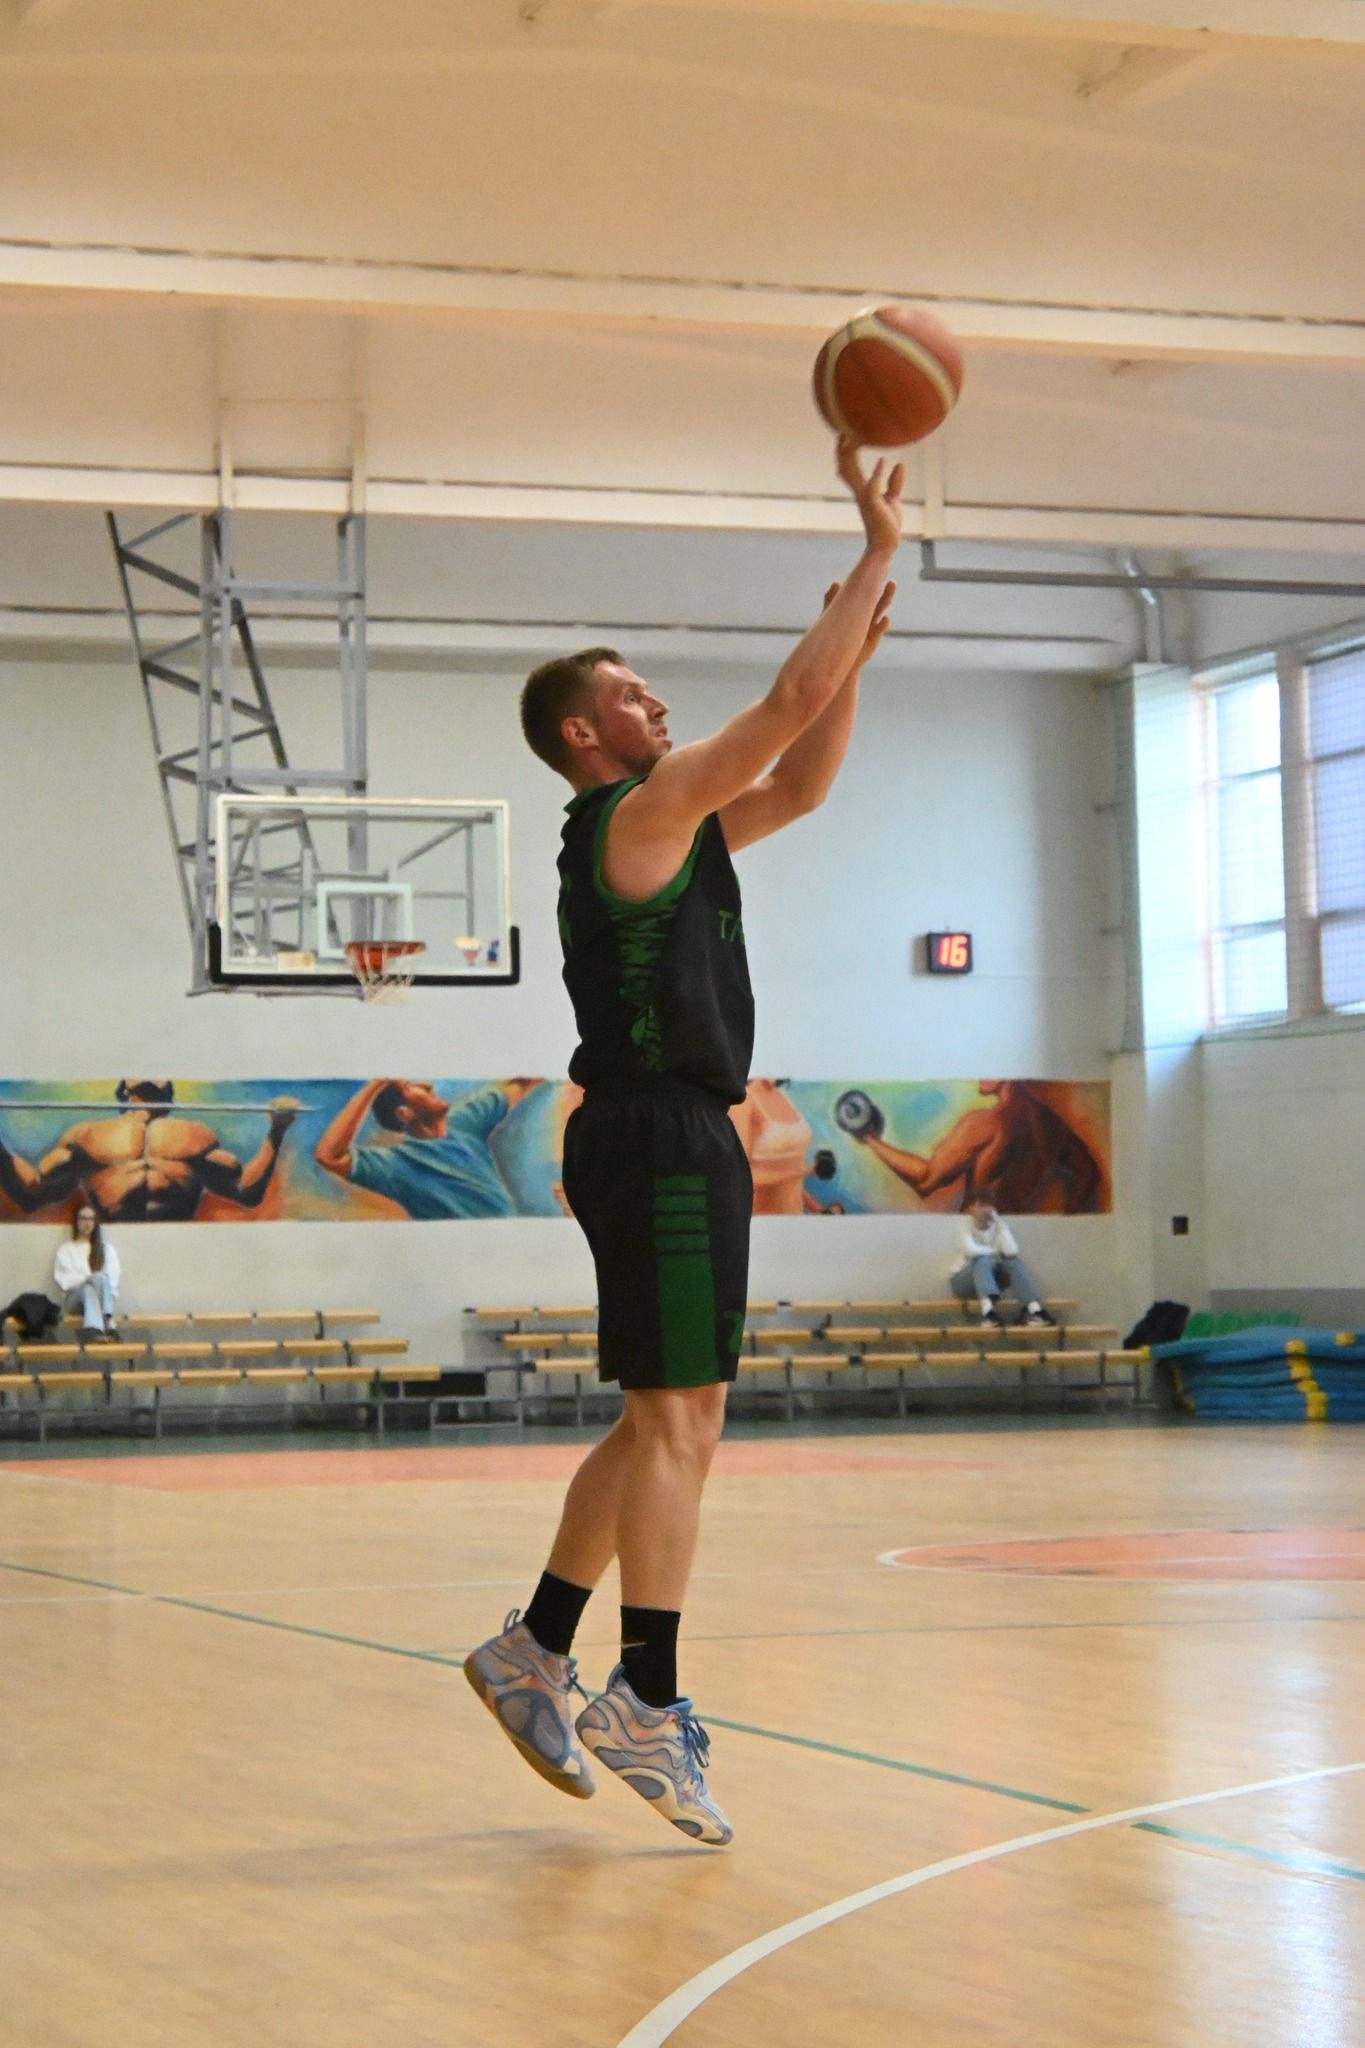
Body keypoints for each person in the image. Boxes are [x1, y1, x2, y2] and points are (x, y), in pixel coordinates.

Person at [464, 438, 901, 1848]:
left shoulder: (682, 824)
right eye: (632, 693)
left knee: (660, 1418)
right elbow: (783, 706)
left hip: (674, 1135)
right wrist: (874, 554)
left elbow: (805, 778)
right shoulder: (631, 815)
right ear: (584, 732)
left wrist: (855, 654)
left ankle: (535, 1648)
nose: (656, 701)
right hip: (655, 1134)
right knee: (682, 1424)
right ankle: (642, 1694)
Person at [0, 1081, 298, 1222]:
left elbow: (246, 1191)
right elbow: (31, 1193)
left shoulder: (194, 1136)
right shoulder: (89, 1136)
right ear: (122, 1095)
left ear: (169, 1096)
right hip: (114, 1245)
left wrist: (277, 1131)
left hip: (176, 1250)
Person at [846, 1078, 1105, 1214]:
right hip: (1013, 1231)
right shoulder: (1051, 1124)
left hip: (977, 1233)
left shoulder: (986, 1124)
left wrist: (869, 1138)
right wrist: (1067, 1218)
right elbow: (1089, 1173)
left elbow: (925, 1181)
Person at [313, 1077, 540, 1218]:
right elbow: (328, 1156)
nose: (428, 1084)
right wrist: (376, 1082)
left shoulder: (464, 1121)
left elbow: (523, 1083)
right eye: (410, 1086)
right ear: (405, 1113)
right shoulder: (395, 1165)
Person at [950, 1197, 1056, 1329]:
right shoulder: (964, 1226)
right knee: (983, 1259)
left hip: (989, 1281)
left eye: (989, 1205)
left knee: (1012, 1262)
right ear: (972, 1208)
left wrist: (999, 1223)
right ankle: (988, 1314)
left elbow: (1012, 1251)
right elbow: (972, 1251)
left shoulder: (998, 1226)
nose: (986, 1210)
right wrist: (995, 1252)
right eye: (981, 1205)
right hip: (963, 1282)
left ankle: (1037, 1311)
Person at [53, 1202, 120, 1340]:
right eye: (83, 1218)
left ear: (95, 1222)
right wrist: (88, 1279)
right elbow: (65, 1281)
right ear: (77, 1222)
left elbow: (113, 1279)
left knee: (96, 1283)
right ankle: (108, 1322)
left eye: (90, 1219)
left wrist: (93, 1280)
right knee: (91, 1284)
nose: (87, 1223)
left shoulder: (106, 1249)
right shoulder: (67, 1249)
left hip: (100, 1297)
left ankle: (94, 1329)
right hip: (75, 1300)